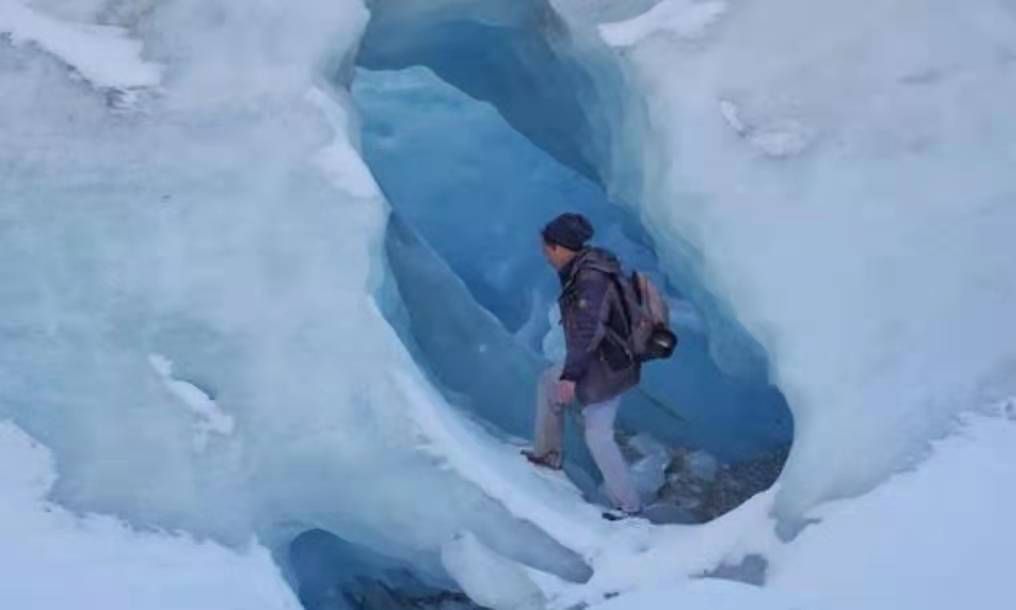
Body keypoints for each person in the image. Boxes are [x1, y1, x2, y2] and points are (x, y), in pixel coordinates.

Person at [522, 212, 643, 519]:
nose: (544, 255)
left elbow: (588, 331)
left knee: (598, 435)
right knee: (548, 382)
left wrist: (571, 376)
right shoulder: (585, 267)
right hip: (602, 358)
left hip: (609, 365)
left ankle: (629, 507)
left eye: (545, 249)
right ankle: (548, 454)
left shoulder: (591, 278)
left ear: (559, 248)